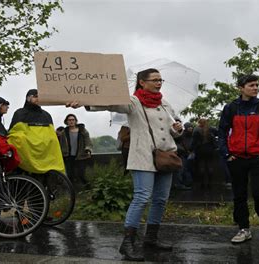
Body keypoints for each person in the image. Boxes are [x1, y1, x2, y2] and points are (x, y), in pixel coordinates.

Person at [69, 68, 183, 261]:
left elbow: (174, 128)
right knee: (142, 197)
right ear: (141, 82)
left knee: (161, 199)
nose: (159, 83)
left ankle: (151, 238)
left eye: (160, 79)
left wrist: (177, 128)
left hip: (166, 156)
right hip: (143, 156)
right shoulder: (134, 102)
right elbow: (111, 104)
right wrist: (85, 103)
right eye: (154, 80)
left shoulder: (164, 103)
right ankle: (127, 243)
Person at [218, 74, 259, 244]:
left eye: (257, 85)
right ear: (241, 87)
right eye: (251, 85)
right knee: (239, 195)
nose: (255, 88)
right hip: (236, 158)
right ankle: (244, 228)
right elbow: (222, 132)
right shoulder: (230, 108)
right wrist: (226, 154)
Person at [7, 89, 65, 175]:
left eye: (40, 97)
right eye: (35, 96)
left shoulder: (46, 115)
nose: (38, 99)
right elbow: (15, 134)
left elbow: (51, 135)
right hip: (27, 151)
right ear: (28, 98)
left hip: (45, 152)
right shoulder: (20, 113)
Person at [59, 113, 92, 187]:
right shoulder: (64, 132)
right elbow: (61, 144)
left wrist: (88, 149)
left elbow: (88, 141)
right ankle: (72, 191)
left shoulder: (82, 130)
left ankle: (89, 188)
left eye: (73, 120)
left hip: (80, 155)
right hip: (68, 156)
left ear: (75, 121)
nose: (71, 121)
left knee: (81, 174)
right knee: (70, 174)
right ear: (66, 122)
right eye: (69, 120)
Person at [191, 118, 219, 190]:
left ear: (199, 123)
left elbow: (193, 142)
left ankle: (202, 184)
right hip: (210, 149)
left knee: (201, 166)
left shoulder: (196, 130)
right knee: (210, 166)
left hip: (200, 150)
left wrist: (191, 149)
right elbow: (218, 133)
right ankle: (210, 183)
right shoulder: (211, 129)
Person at [172, 120, 192, 190]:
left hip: (182, 153)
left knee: (182, 170)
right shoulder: (179, 134)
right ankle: (178, 184)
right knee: (180, 170)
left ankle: (179, 183)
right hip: (180, 153)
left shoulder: (183, 134)